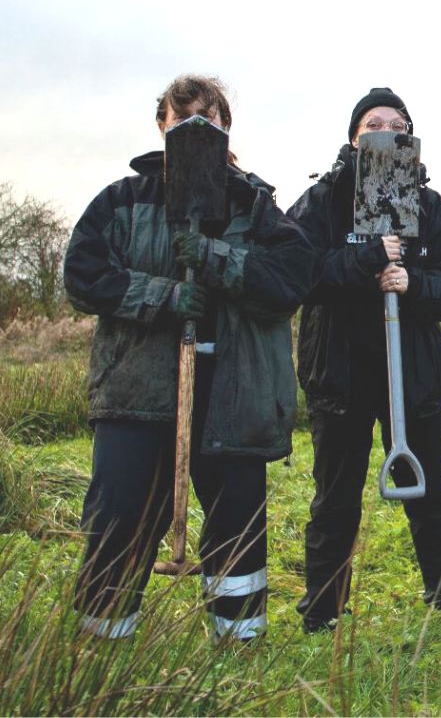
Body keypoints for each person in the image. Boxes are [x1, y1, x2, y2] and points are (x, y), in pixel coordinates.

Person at [63, 74, 316, 641]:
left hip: (232, 394)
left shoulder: (257, 203)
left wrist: (217, 257)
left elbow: (291, 280)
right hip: (139, 393)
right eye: (185, 118)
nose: (199, 126)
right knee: (120, 515)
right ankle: (102, 641)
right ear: (162, 127)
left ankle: (238, 641)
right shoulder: (124, 200)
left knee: (237, 522)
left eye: (212, 117)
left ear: (228, 128)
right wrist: (162, 295)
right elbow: (83, 276)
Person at [288, 88, 441, 632]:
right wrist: (362, 260)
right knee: (336, 499)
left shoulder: (434, 209)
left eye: (398, 123)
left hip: (412, 376)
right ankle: (323, 611)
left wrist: (413, 282)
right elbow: (295, 272)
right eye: (374, 122)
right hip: (340, 375)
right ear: (353, 137)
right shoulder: (322, 203)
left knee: (430, 493)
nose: (386, 130)